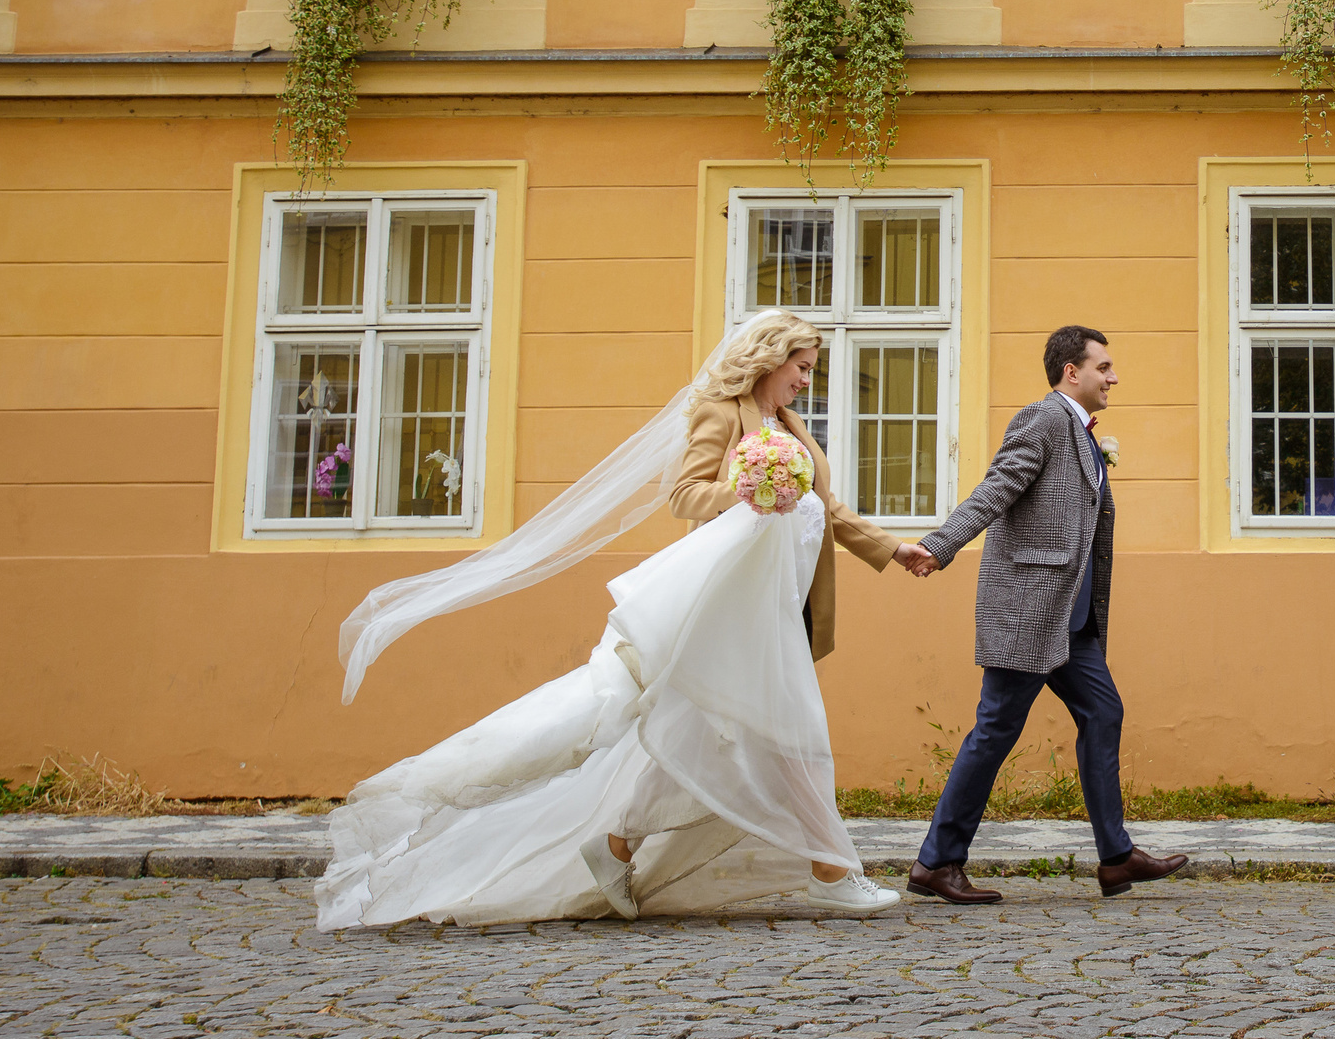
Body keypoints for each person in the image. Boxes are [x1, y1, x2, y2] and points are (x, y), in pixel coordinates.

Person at [314, 309, 936, 927]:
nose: (808, 380)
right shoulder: (721, 412)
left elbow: (824, 508)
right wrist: (745, 491)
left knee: (699, 737)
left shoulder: (790, 425)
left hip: (778, 606)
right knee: (791, 733)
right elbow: (685, 495)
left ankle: (615, 845)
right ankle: (831, 873)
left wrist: (891, 548)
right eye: (802, 367)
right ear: (772, 360)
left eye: (810, 370)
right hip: (730, 611)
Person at [901, 325, 1188, 902]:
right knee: (996, 730)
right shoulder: (1043, 419)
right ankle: (937, 862)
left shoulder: (1082, 432)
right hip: (1030, 609)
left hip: (1070, 619)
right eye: (1103, 367)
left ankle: (1115, 857)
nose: (1113, 377)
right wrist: (940, 544)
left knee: (1103, 714)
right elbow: (996, 490)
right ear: (1071, 373)